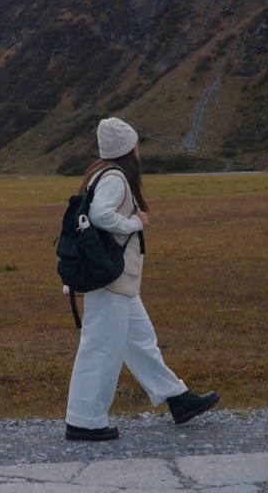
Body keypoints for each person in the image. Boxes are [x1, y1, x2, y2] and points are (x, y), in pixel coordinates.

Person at [64, 117, 220, 442]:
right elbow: (99, 216)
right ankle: (85, 420)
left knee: (140, 341)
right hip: (111, 280)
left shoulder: (102, 173)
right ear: (129, 148)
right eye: (136, 144)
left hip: (119, 281)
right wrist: (134, 222)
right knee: (101, 348)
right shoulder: (116, 178)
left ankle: (177, 398)